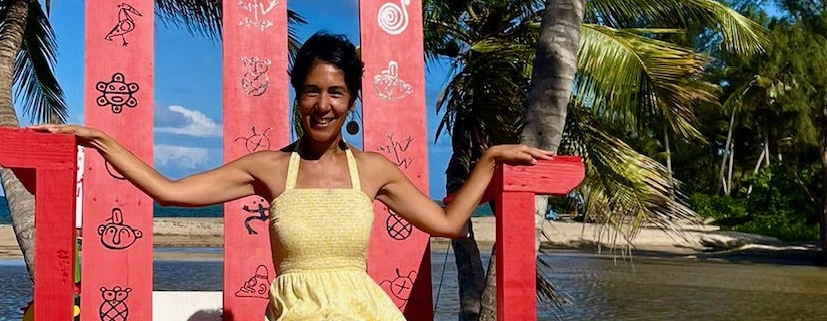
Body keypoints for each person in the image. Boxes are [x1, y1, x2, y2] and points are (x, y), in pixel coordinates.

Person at [34, 32, 552, 320]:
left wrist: (488, 162)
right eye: (311, 91)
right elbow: (170, 193)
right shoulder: (269, 168)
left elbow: (445, 222)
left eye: (335, 93)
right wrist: (99, 140)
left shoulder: (371, 170)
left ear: (351, 102)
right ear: (296, 96)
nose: (322, 105)